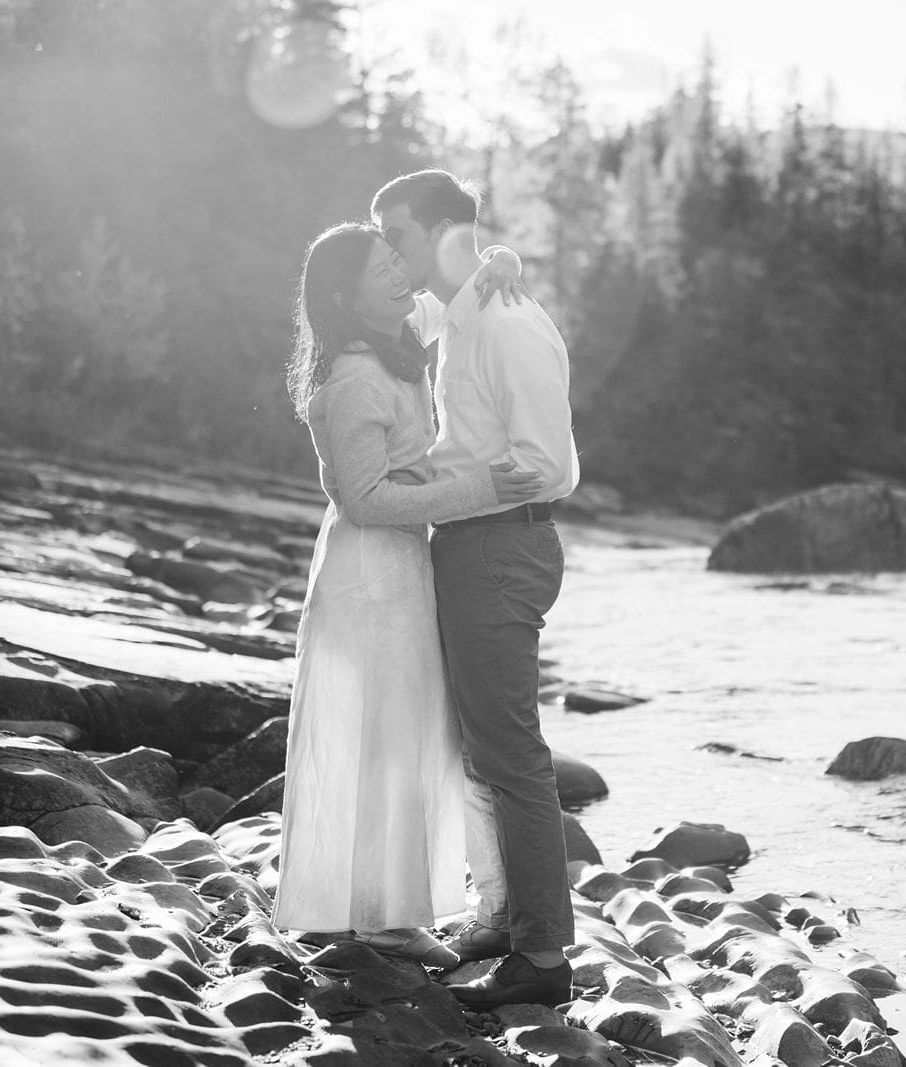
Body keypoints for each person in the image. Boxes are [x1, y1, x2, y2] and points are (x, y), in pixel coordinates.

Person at [273, 222, 538, 967]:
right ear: (344, 294)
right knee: (384, 738)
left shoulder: (392, 337)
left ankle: (370, 906)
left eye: (398, 259)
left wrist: (501, 260)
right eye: (382, 266)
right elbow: (364, 498)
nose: (402, 273)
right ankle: (385, 919)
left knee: (396, 732)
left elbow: (449, 300)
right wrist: (478, 487)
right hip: (368, 574)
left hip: (399, 569)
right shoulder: (355, 374)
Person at [372, 170, 579, 1008]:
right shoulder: (454, 314)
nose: (391, 252)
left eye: (400, 236)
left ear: (446, 229)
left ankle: (545, 958)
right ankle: (502, 914)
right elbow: (372, 312)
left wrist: (427, 491)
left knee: (514, 755)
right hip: (469, 548)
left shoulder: (505, 325)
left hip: (501, 548)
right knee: (481, 748)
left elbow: (547, 465)